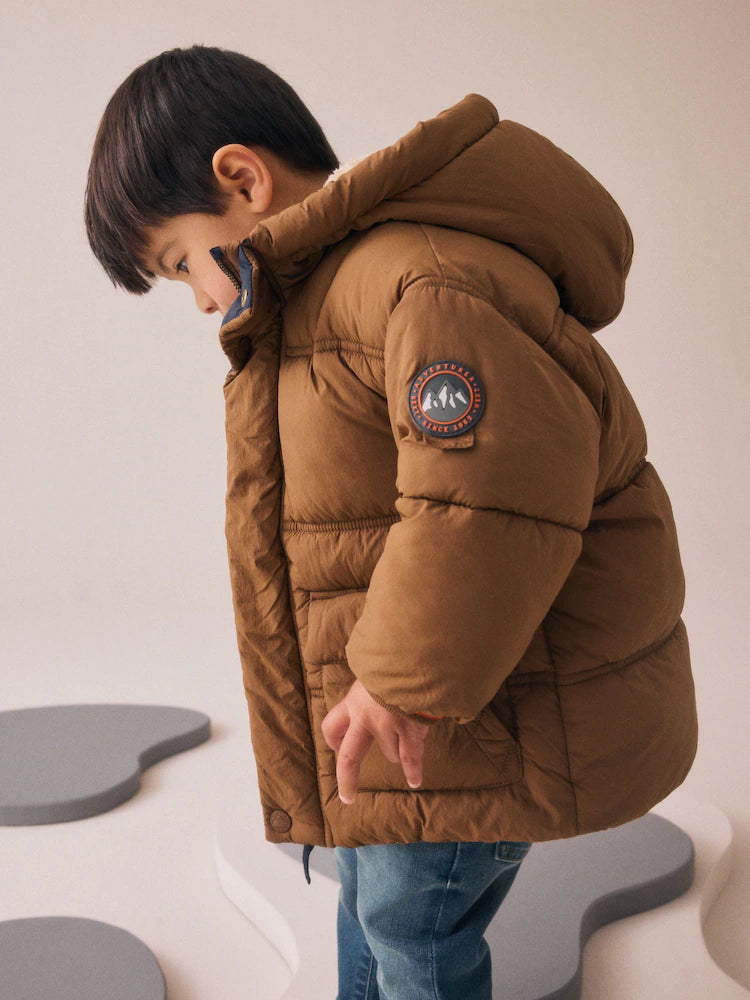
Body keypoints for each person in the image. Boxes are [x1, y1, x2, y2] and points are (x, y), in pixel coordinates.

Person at [85, 45, 698, 1000]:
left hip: (465, 713)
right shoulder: (326, 302)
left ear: (242, 179)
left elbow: (480, 501)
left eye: (181, 263)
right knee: (376, 894)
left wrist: (399, 680)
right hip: (413, 717)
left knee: (416, 926)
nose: (201, 300)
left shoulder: (419, 281)